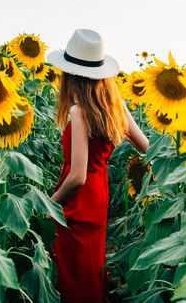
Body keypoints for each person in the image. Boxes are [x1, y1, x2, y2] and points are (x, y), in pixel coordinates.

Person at [47, 29, 149, 302]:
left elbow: (78, 176)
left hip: (77, 200)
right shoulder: (116, 107)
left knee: (74, 270)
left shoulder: (79, 112)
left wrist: (51, 205)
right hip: (99, 193)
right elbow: (147, 147)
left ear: (71, 75)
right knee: (91, 262)